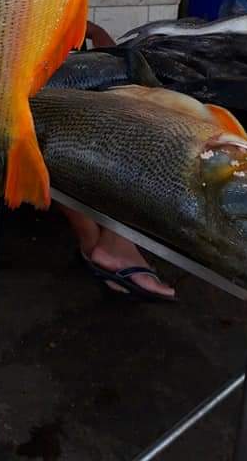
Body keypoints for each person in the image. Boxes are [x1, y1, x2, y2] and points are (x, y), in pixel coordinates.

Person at [57, 21, 175, 301]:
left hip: (58, 76)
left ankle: (106, 241)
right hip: (8, 90)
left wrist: (106, 46)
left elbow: (78, 22)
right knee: (55, 135)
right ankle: (101, 241)